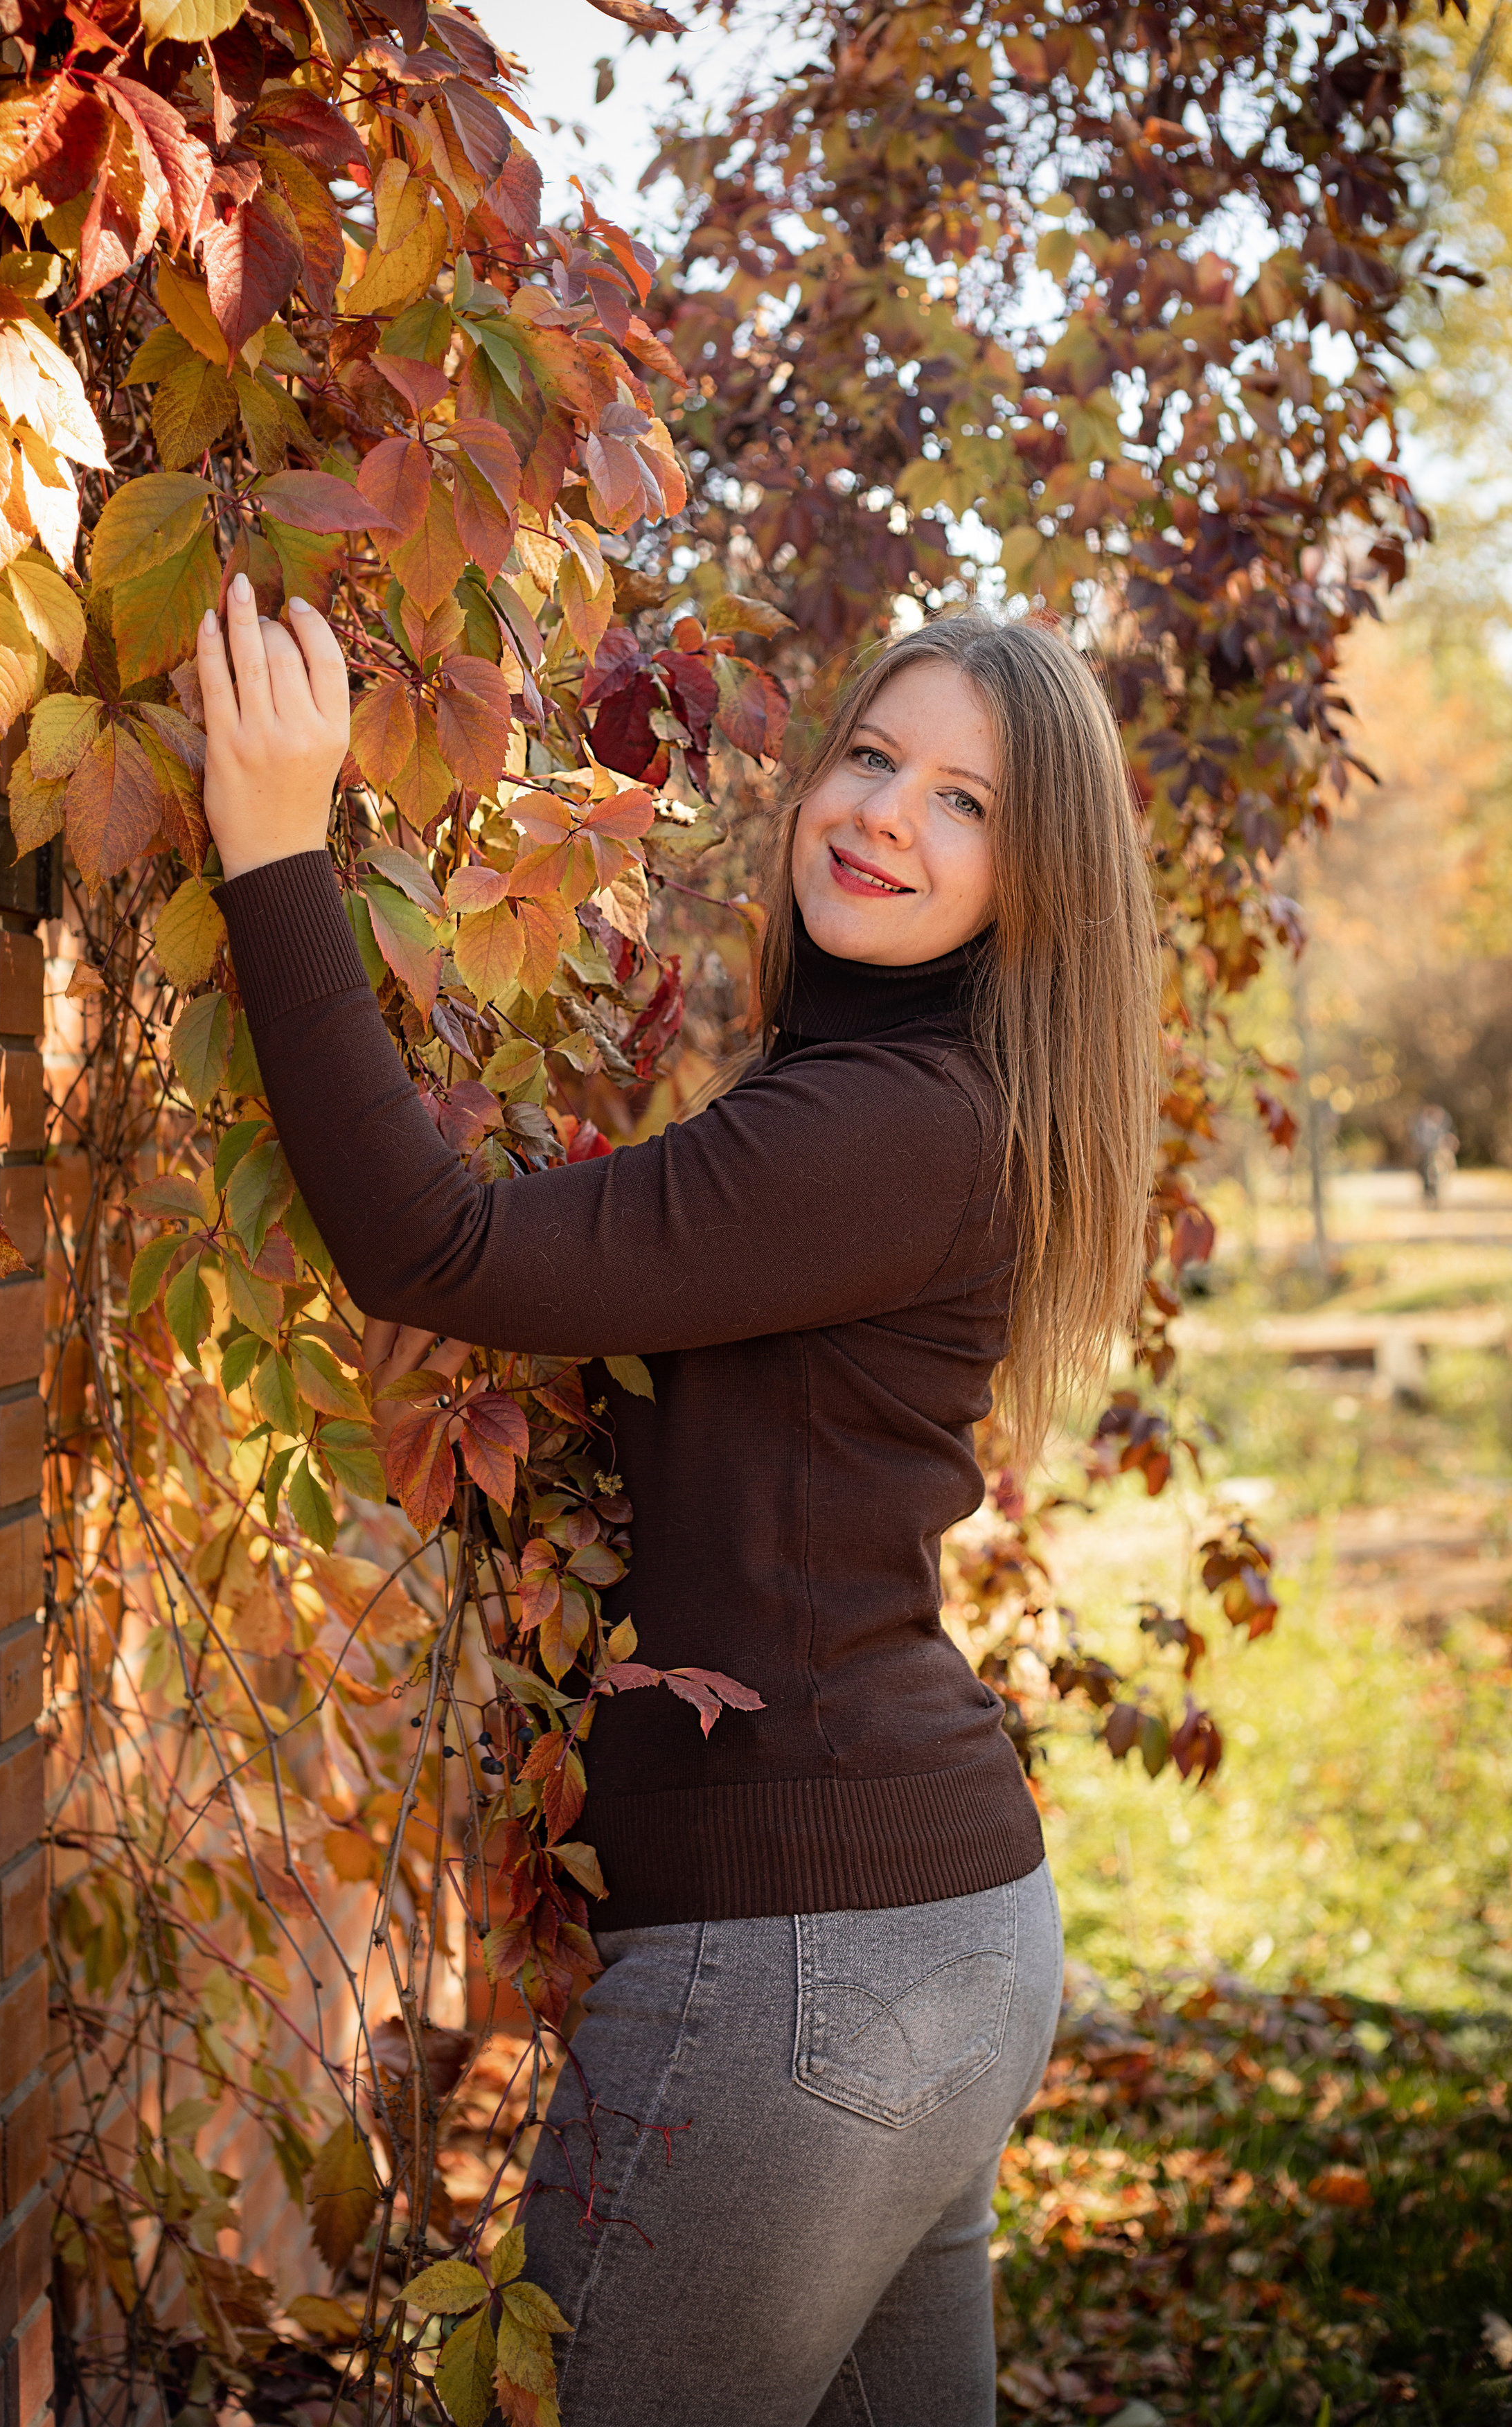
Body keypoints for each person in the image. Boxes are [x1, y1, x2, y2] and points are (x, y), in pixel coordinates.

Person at [199, 576, 1160, 2427]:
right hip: (931, 1942)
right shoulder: (898, 1099)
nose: (885, 811)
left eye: (965, 800)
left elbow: (436, 1247)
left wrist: (270, 848)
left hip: (802, 1969)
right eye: (874, 757)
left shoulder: (889, 1127)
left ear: (1041, 884)